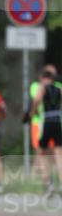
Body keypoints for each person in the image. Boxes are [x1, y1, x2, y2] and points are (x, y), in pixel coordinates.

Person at [28, 66, 62, 196]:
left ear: (43, 78)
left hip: (46, 122)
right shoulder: (59, 89)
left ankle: (48, 184)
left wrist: (32, 112)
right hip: (58, 121)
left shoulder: (41, 88)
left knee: (43, 153)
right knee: (59, 154)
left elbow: (36, 100)